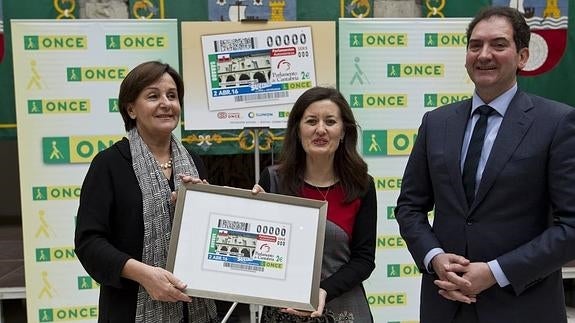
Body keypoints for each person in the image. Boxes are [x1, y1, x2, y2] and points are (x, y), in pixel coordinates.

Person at [395, 6, 575, 323]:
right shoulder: (436, 123)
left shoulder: (557, 123)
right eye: (475, 45)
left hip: (523, 307)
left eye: (498, 44)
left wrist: (495, 272)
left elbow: (571, 227)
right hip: (446, 303)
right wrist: (434, 257)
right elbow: (410, 206)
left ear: (522, 56)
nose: (484, 54)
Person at [74, 61, 218, 322]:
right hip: (130, 310)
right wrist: (145, 275)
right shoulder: (109, 164)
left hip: (195, 310)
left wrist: (205, 209)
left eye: (172, 96)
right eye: (153, 96)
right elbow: (89, 243)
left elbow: (207, 243)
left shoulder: (194, 162)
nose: (166, 103)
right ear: (131, 109)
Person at [252, 86, 377, 322]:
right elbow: (260, 251)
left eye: (330, 121)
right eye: (311, 121)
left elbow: (363, 260)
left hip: (343, 308)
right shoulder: (273, 180)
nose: (321, 129)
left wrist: (323, 290)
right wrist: (250, 217)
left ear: (343, 132)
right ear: (298, 130)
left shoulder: (362, 186)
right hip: (283, 311)